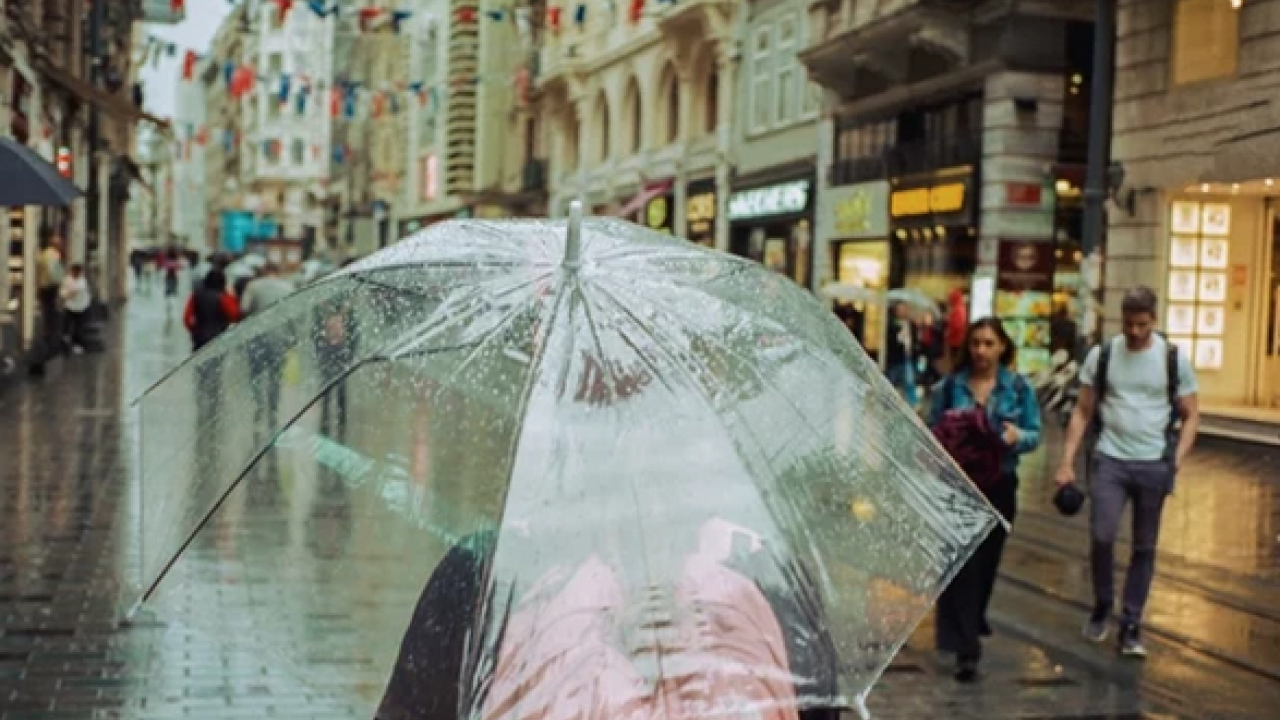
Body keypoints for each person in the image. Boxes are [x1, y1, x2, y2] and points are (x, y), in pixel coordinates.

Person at [1054, 286, 1199, 658]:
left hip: (1154, 464)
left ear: (1154, 319)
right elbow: (1083, 411)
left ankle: (1131, 622)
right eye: (1129, 324)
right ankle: (1103, 602)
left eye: (1143, 325)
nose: (1135, 332)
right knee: (1102, 535)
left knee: (1144, 547)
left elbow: (1191, 414)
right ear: (1120, 317)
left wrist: (1177, 459)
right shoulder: (1102, 356)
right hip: (1110, 460)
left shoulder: (1172, 359)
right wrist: (1067, 461)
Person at [928, 317, 1041, 682]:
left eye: (989, 343)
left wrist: (1016, 436)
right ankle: (966, 648)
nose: (981, 351)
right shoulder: (949, 388)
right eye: (976, 343)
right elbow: (929, 431)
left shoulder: (1019, 389)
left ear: (1002, 347)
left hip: (1000, 484)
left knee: (987, 564)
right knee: (963, 565)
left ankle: (971, 621)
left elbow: (1035, 433)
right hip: (958, 488)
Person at [242, 264, 295, 431]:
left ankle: (258, 406)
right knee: (275, 376)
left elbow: (243, 308)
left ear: (264, 271)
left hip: (257, 338)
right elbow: (293, 314)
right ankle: (273, 407)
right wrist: (292, 337)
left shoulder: (254, 286)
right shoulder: (288, 287)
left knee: (256, 374)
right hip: (279, 338)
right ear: (278, 272)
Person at [183, 269, 241, 352]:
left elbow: (186, 318)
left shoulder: (196, 295)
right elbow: (234, 314)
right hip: (219, 337)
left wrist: (194, 329)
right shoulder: (223, 297)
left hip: (200, 337)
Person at [35, 233, 66, 359]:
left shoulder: (44, 254)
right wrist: (62, 282)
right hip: (51, 288)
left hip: (43, 287)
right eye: (60, 243)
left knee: (47, 313)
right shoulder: (54, 255)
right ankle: (51, 344)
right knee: (52, 315)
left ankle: (47, 336)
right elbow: (55, 274)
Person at [885, 302, 920, 407]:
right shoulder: (892, 324)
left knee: (909, 381)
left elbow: (914, 339)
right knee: (891, 380)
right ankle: (887, 401)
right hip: (896, 358)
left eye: (904, 309)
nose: (902, 312)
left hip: (908, 357)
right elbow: (890, 341)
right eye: (900, 310)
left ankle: (912, 404)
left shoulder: (911, 324)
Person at [59, 264, 92, 354]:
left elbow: (75, 291)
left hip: (81, 307)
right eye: (74, 272)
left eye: (77, 272)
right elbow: (62, 292)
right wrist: (65, 295)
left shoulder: (82, 281)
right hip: (70, 306)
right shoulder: (67, 280)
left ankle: (77, 344)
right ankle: (65, 340)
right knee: (67, 324)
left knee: (78, 326)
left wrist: (67, 294)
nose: (76, 274)